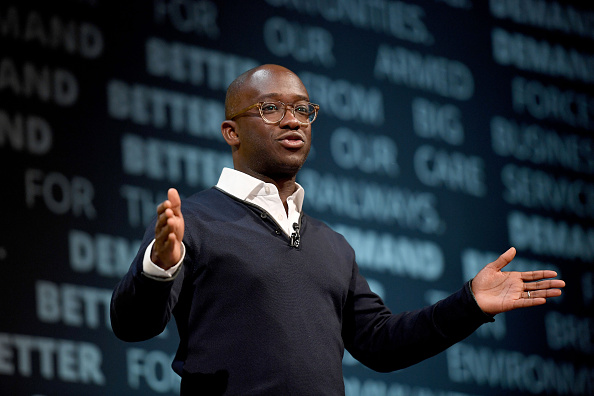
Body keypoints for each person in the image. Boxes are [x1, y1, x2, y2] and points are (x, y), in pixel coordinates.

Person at [110, 64, 565, 395]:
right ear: (231, 131)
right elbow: (132, 326)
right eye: (271, 108)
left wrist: (469, 304)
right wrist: (158, 270)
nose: (293, 120)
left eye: (304, 110)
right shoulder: (195, 222)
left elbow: (381, 344)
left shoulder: (332, 246)